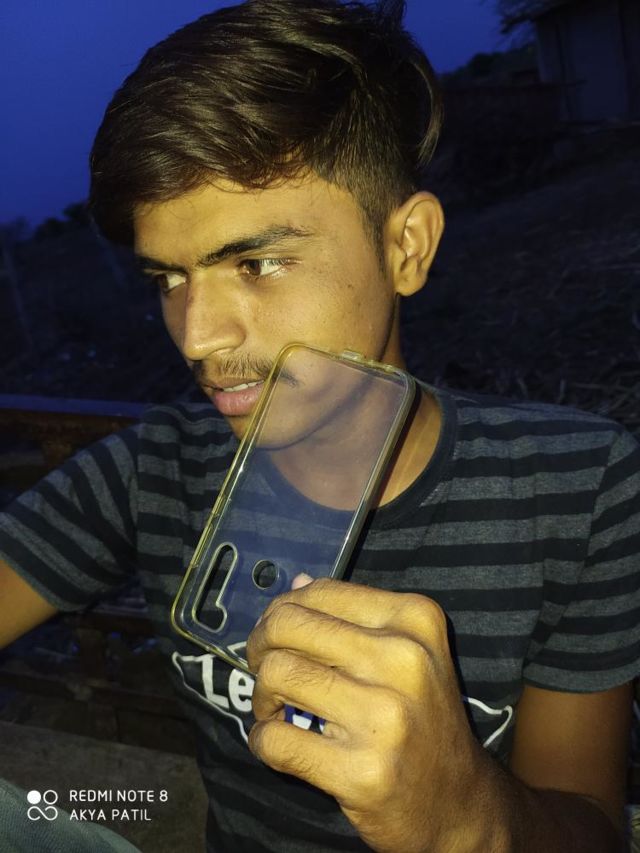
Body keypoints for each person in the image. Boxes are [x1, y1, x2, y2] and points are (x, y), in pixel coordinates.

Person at [1, 1, 638, 850]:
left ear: (406, 247)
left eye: (257, 262)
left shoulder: (577, 486)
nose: (197, 337)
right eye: (168, 279)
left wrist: (465, 813)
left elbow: (592, 825)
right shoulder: (153, 466)